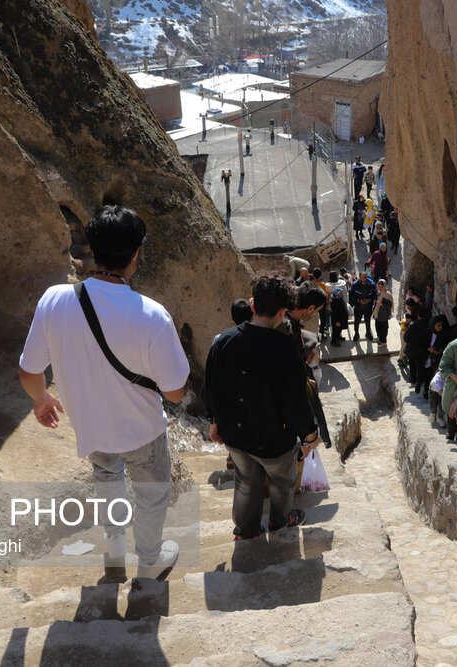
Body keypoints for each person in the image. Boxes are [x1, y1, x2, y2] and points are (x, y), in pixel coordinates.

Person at [19, 204, 190, 583]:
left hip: (91, 425)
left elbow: (30, 372)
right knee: (150, 494)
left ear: (93, 250)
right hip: (142, 430)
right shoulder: (152, 315)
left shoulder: (53, 300)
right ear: (136, 253)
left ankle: (114, 552)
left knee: (107, 477)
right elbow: (175, 393)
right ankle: (149, 561)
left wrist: (41, 400)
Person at [202, 273, 319, 540]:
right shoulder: (284, 349)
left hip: (235, 435)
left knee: (246, 483)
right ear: (282, 312)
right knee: (282, 483)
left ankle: (245, 531)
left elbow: (211, 385)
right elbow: (295, 401)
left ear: (252, 304)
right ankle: (280, 523)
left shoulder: (223, 341)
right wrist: (309, 433)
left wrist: (214, 421)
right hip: (274, 439)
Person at [349, 266, 378, 341]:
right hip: (358, 307)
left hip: (368, 307)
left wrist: (369, 300)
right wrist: (358, 300)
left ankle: (368, 333)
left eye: (365, 277)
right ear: (359, 277)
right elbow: (351, 295)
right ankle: (356, 333)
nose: (364, 279)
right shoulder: (354, 285)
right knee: (357, 322)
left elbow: (375, 294)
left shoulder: (372, 284)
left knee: (368, 321)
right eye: (363, 277)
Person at [327, 271, 349, 346]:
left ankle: (338, 337)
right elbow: (335, 312)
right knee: (335, 328)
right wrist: (337, 321)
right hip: (337, 317)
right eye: (340, 293)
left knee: (338, 328)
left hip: (340, 315)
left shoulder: (339, 298)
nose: (341, 293)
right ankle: (334, 341)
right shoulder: (335, 301)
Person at [373, 278, 395, 345]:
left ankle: (383, 341)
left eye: (382, 286)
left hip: (384, 315)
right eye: (379, 286)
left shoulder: (388, 295)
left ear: (385, 286)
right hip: (377, 314)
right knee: (377, 327)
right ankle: (379, 338)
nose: (380, 288)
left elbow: (390, 306)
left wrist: (382, 305)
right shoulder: (378, 293)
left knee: (384, 328)